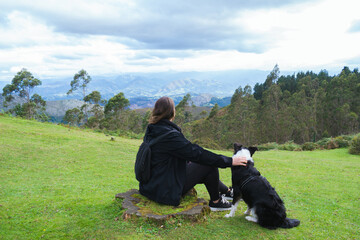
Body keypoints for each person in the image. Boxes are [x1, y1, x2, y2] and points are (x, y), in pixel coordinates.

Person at [139, 96, 247, 211]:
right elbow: (198, 154)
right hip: (165, 190)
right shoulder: (170, 135)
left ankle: (227, 191)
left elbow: (177, 154)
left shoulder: (153, 129)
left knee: (198, 164)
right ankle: (216, 201)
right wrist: (230, 161)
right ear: (172, 113)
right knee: (207, 163)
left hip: (151, 186)